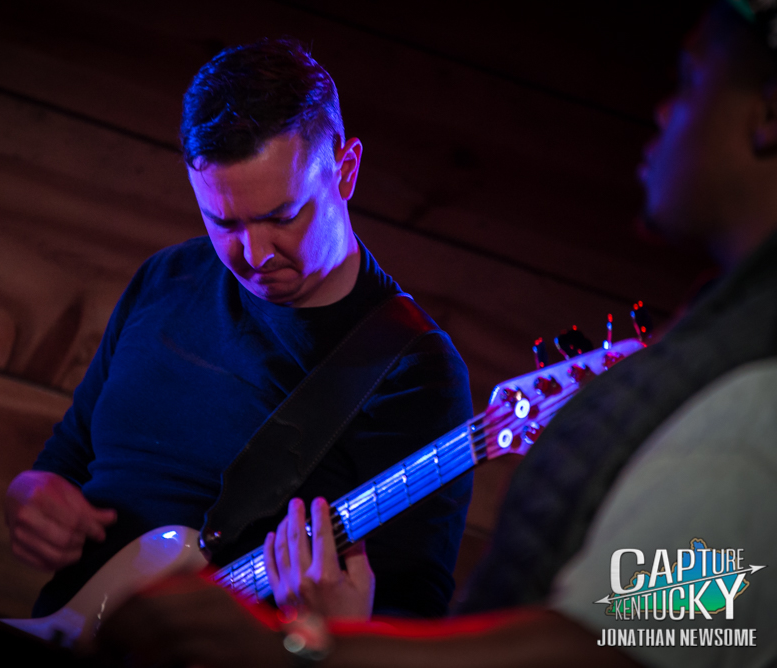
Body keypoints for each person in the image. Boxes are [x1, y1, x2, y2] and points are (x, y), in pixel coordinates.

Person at [100, 2, 777, 666]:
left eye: (690, 81)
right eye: (226, 223)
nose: (661, 111)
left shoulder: (750, 408)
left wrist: (310, 645)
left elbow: (621, 644)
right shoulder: (168, 274)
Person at [3, 38, 474, 621]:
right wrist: (30, 495)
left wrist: (341, 630)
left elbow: (415, 612)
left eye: (282, 216)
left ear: (346, 170)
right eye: (223, 222)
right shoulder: (167, 276)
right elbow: (69, 456)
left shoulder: (412, 369)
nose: (254, 254)